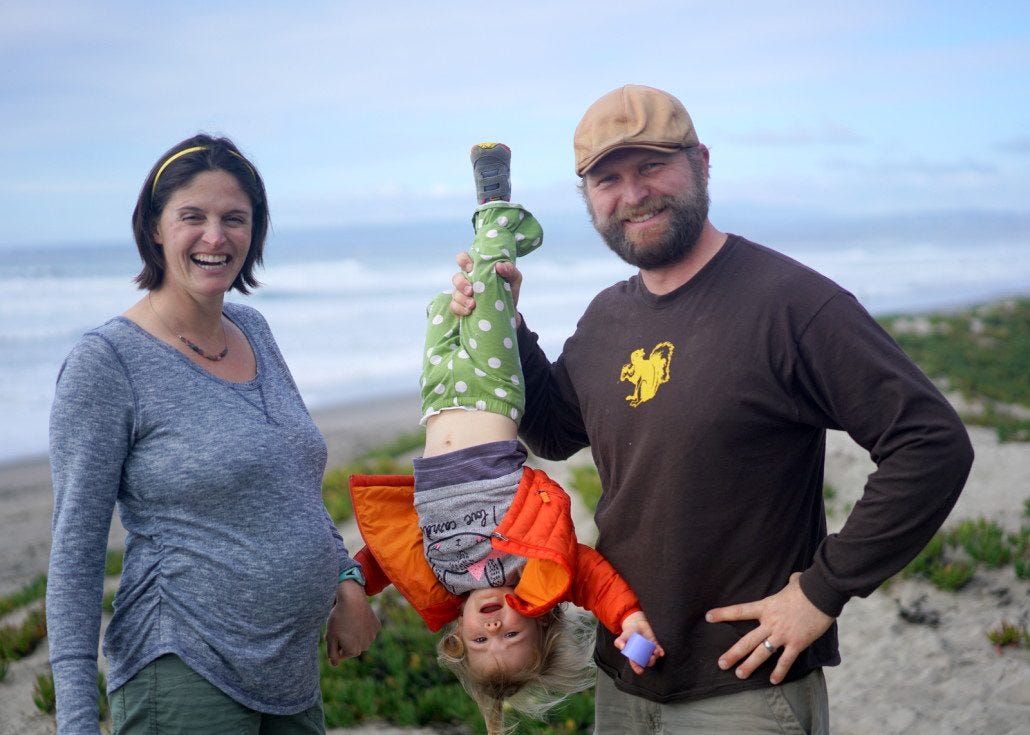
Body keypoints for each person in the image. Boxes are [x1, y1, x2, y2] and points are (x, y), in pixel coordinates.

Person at [449, 86, 975, 733]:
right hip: (627, 675)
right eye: (607, 178)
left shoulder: (789, 304)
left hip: (745, 690)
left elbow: (931, 444)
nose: (632, 192)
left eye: (650, 166)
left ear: (701, 162)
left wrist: (822, 591)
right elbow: (557, 430)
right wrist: (508, 323)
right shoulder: (607, 317)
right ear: (588, 197)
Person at [46, 134, 380, 735]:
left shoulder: (253, 327)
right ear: (153, 227)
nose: (215, 237)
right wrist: (74, 719)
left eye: (235, 219)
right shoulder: (107, 363)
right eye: (191, 217)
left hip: (290, 675)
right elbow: (75, 553)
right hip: (181, 669)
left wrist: (345, 580)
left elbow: (291, 482)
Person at [346, 142, 662, 735]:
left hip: (437, 401)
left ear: (457, 640)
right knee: (488, 278)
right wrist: (629, 621)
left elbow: (383, 562)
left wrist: (344, 589)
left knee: (451, 302)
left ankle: (481, 265)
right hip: (492, 395)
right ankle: (497, 203)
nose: (493, 624)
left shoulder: (440, 577)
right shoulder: (534, 563)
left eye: (481, 638)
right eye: (510, 634)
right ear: (538, 622)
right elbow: (593, 576)